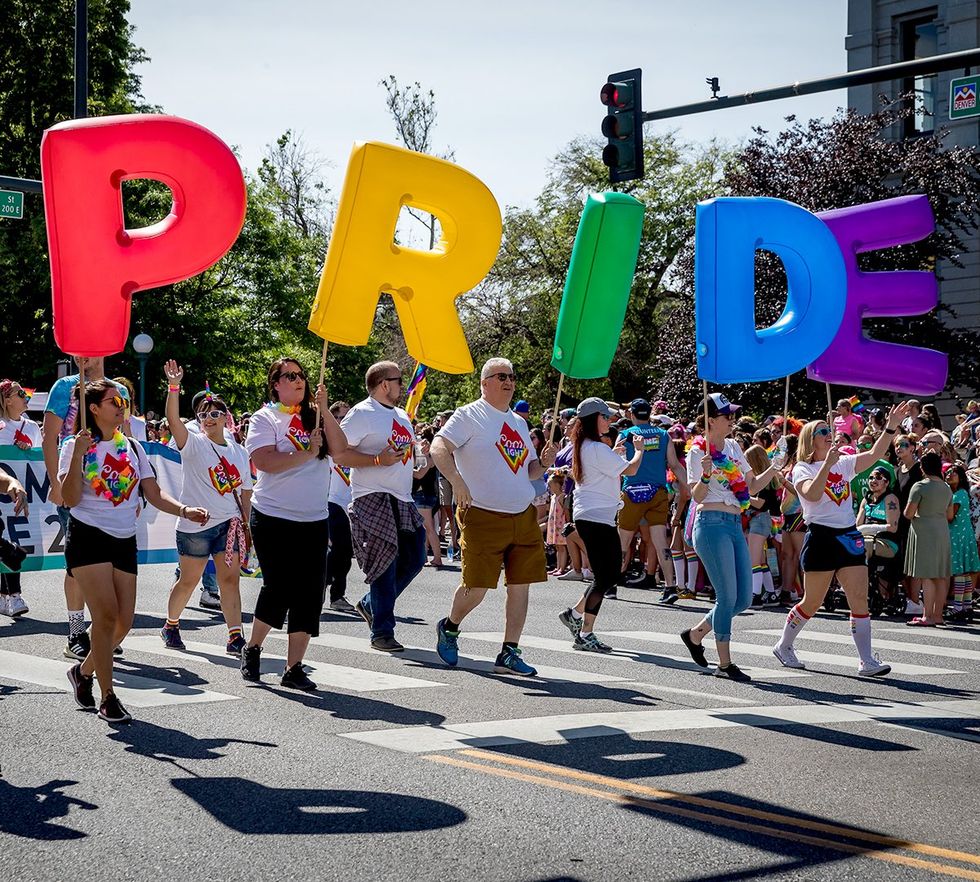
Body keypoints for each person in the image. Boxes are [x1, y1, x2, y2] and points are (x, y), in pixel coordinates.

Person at [61, 379, 208, 723]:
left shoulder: (133, 447)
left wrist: (185, 510)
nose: (121, 406)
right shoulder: (76, 445)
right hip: (88, 536)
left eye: (123, 401)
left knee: (124, 623)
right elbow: (69, 499)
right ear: (94, 408)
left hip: (124, 539)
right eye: (113, 401)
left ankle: (82, 673)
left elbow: (154, 494)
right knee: (107, 616)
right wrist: (80, 455)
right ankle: (107, 696)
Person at [432, 358, 556, 676]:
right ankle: (450, 625)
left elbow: (528, 470)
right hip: (482, 513)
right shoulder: (469, 415)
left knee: (521, 585)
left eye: (512, 376)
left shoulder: (518, 422)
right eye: (501, 376)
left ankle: (509, 651)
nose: (509, 381)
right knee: (477, 587)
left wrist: (543, 463)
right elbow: (438, 447)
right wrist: (457, 481)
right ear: (484, 383)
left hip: (522, 515)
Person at [772, 402, 910, 676]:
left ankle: (866, 660)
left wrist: (891, 428)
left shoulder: (844, 463)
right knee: (812, 602)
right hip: (821, 537)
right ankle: (784, 645)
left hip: (848, 535)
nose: (828, 433)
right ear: (811, 440)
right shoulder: (802, 468)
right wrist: (827, 465)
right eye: (822, 430)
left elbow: (873, 454)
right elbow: (810, 495)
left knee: (859, 597)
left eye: (828, 430)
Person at [241, 357, 346, 690]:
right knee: (280, 586)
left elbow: (341, 450)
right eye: (290, 376)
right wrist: (306, 453)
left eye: (301, 375)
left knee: (311, 592)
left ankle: (294, 668)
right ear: (276, 384)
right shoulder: (265, 417)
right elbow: (264, 461)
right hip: (272, 516)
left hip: (313, 519)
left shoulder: (315, 416)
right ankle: (253, 646)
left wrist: (325, 410)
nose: (299, 380)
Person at [680, 394, 780, 681]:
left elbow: (750, 487)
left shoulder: (735, 446)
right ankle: (724, 664)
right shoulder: (697, 452)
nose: (732, 420)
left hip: (735, 522)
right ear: (711, 420)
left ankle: (695, 635)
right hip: (711, 523)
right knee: (726, 597)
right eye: (727, 416)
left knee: (743, 599)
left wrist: (774, 466)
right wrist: (707, 475)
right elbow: (696, 496)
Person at [159, 361, 253, 654]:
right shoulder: (193, 444)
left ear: (226, 418)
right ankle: (171, 625)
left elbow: (246, 493)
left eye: (215, 413)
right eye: (204, 414)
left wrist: (247, 527)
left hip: (230, 525)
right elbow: (173, 421)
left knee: (230, 581)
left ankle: (235, 636)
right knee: (188, 580)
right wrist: (174, 387)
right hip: (196, 525)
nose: (209, 418)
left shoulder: (239, 450)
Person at [335, 361, 426, 652]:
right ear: (384, 384)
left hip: (402, 497)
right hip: (371, 495)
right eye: (399, 380)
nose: (403, 386)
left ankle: (370, 604)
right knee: (385, 562)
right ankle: (382, 631)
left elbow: (404, 456)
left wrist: (422, 459)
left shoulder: (402, 415)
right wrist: (376, 460)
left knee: (415, 557)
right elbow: (339, 454)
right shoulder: (361, 414)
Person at [42, 357, 129, 660]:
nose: (86, 356)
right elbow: (49, 435)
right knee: (79, 565)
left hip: (112, 486)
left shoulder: (118, 389)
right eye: (81, 351)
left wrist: (131, 490)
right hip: (77, 479)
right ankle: (76, 631)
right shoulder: (65, 387)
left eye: (92, 350)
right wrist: (56, 482)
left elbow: (125, 437)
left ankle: (103, 629)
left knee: (110, 564)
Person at [557, 398, 643, 652]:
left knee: (607, 575)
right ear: (594, 419)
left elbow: (610, 468)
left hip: (594, 515)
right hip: (596, 517)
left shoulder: (587, 446)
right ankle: (584, 630)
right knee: (607, 575)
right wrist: (639, 450)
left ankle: (576, 617)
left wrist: (618, 452)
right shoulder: (595, 447)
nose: (609, 420)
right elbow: (630, 470)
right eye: (605, 416)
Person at [617, 397, 689, 602]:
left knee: (623, 541)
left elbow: (616, 464)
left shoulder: (625, 434)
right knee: (660, 542)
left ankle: (611, 584)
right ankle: (670, 586)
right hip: (657, 493)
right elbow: (674, 465)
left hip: (631, 492)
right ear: (649, 415)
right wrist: (690, 486)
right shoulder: (663, 435)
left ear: (631, 414)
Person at [0, 380, 41, 617]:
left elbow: (41, 461)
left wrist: (29, 451)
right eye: (20, 393)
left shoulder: (33, 427)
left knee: (14, 537)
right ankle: (12, 595)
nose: (26, 396)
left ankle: (8, 595)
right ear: (7, 400)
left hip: (24, 492)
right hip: (4, 490)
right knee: (6, 540)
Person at [904, 452, 953, 626]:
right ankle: (938, 615)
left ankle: (927, 616)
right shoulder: (946, 487)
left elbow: (908, 513)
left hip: (924, 531)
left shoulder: (920, 486)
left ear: (923, 468)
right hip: (942, 531)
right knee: (940, 575)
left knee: (927, 575)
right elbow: (950, 514)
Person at [326, 400, 357, 615]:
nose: (342, 421)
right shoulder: (327, 446)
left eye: (346, 417)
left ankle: (337, 595)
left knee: (345, 554)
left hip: (351, 505)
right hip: (330, 503)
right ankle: (322, 586)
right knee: (331, 551)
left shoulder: (355, 444)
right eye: (338, 417)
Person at [744, 444, 784, 607]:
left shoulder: (764, 482)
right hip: (760, 520)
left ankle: (755, 595)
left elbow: (760, 504)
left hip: (760, 519)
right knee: (760, 560)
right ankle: (771, 594)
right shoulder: (766, 479)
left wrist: (740, 495)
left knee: (754, 560)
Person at [946, 463, 980, 622]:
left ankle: (958, 606)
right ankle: (966, 605)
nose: (949, 475)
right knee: (965, 571)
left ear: (960, 477)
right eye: (947, 473)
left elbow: (950, 516)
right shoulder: (961, 493)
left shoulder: (958, 495)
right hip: (965, 534)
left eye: (953, 473)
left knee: (959, 571)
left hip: (958, 535)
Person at [412, 428, 444, 568]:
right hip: (426, 495)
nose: (419, 442)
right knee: (425, 528)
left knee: (429, 528)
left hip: (423, 495)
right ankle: (424, 557)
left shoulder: (428, 455)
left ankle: (437, 558)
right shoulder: (429, 455)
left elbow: (420, 474)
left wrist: (404, 468)